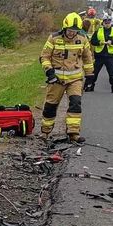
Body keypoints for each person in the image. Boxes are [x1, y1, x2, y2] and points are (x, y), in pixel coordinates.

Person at [40, 12, 94, 144]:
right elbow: (44, 56)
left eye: (75, 31)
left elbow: (87, 58)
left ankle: (73, 133)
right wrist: (49, 72)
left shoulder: (83, 39)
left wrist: (90, 76)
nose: (72, 33)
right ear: (65, 28)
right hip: (56, 79)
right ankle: (45, 132)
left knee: (75, 104)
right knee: (50, 106)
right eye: (70, 31)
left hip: (75, 79)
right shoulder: (54, 38)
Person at [86, 12, 113, 93]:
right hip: (99, 55)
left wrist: (112, 42)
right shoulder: (98, 31)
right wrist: (100, 42)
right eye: (106, 22)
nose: (107, 24)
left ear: (111, 22)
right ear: (103, 22)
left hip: (110, 56)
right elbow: (93, 41)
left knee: (112, 73)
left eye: (109, 22)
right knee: (94, 72)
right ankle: (90, 86)